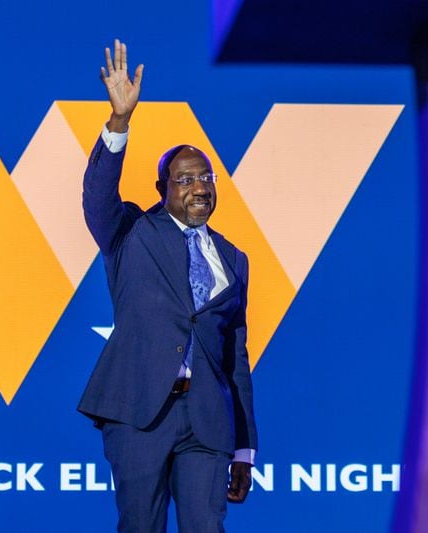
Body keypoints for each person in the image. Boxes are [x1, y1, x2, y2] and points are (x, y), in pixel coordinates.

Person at [78, 39, 258, 533]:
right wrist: (119, 122)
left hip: (207, 421)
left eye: (206, 177)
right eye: (184, 179)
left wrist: (244, 447)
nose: (199, 187)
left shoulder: (233, 260)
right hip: (140, 414)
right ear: (162, 190)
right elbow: (97, 198)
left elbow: (235, 358)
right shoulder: (130, 232)